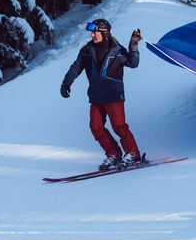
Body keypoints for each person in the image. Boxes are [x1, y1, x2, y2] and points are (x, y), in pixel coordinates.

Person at [60, 19, 144, 170]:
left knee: (119, 126)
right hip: (96, 96)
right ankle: (113, 154)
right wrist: (66, 82)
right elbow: (76, 66)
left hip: (113, 95)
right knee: (96, 127)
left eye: (95, 32)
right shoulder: (87, 50)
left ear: (104, 33)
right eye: (92, 32)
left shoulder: (117, 50)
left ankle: (133, 153)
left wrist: (133, 44)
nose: (92, 35)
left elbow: (133, 63)